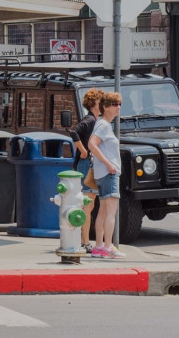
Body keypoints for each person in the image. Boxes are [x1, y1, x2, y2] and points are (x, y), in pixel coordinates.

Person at [88, 91, 125, 259]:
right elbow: (91, 145)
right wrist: (108, 163)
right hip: (109, 173)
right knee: (111, 211)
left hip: (103, 173)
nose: (118, 107)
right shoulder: (103, 125)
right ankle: (108, 246)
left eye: (119, 104)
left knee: (103, 211)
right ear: (105, 107)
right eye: (114, 104)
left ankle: (98, 246)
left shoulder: (103, 124)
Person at [69, 88, 103, 254]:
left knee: (88, 204)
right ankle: (85, 242)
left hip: (89, 164)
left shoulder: (96, 120)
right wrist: (83, 151)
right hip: (86, 164)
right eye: (100, 101)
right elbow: (74, 131)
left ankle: (85, 241)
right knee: (87, 205)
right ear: (94, 103)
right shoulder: (90, 120)